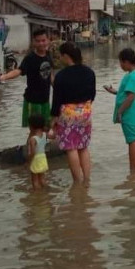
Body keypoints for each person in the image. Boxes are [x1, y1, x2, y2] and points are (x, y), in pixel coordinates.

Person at [51, 42, 96, 183]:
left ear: (66, 56)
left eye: (61, 56)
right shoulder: (89, 72)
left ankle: (77, 182)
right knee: (83, 147)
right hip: (85, 111)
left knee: (71, 148)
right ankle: (87, 180)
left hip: (68, 113)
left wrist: (53, 119)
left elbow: (57, 101)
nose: (60, 58)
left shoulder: (61, 76)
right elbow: (92, 95)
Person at [0, 29, 53, 127]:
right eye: (38, 41)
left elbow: (50, 74)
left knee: (46, 128)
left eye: (43, 40)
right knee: (35, 130)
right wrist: (5, 76)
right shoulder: (30, 58)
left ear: (48, 40)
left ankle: (41, 143)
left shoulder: (48, 55)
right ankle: (31, 143)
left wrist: (59, 88)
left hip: (45, 99)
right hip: (33, 100)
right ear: (33, 42)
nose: (41, 43)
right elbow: (19, 71)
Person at [104, 48, 135, 171]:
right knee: (133, 138)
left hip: (129, 112)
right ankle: (134, 167)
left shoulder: (133, 76)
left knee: (132, 139)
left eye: (120, 62)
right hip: (131, 112)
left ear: (126, 62)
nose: (120, 65)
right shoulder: (133, 74)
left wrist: (120, 111)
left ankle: (134, 168)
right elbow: (127, 93)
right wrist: (114, 91)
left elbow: (131, 97)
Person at [26, 113, 49, 191]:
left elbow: (33, 152)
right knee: (42, 178)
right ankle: (45, 190)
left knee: (35, 180)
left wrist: (29, 161)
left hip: (36, 160)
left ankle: (37, 196)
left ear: (31, 127)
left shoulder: (33, 139)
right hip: (43, 159)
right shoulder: (45, 135)